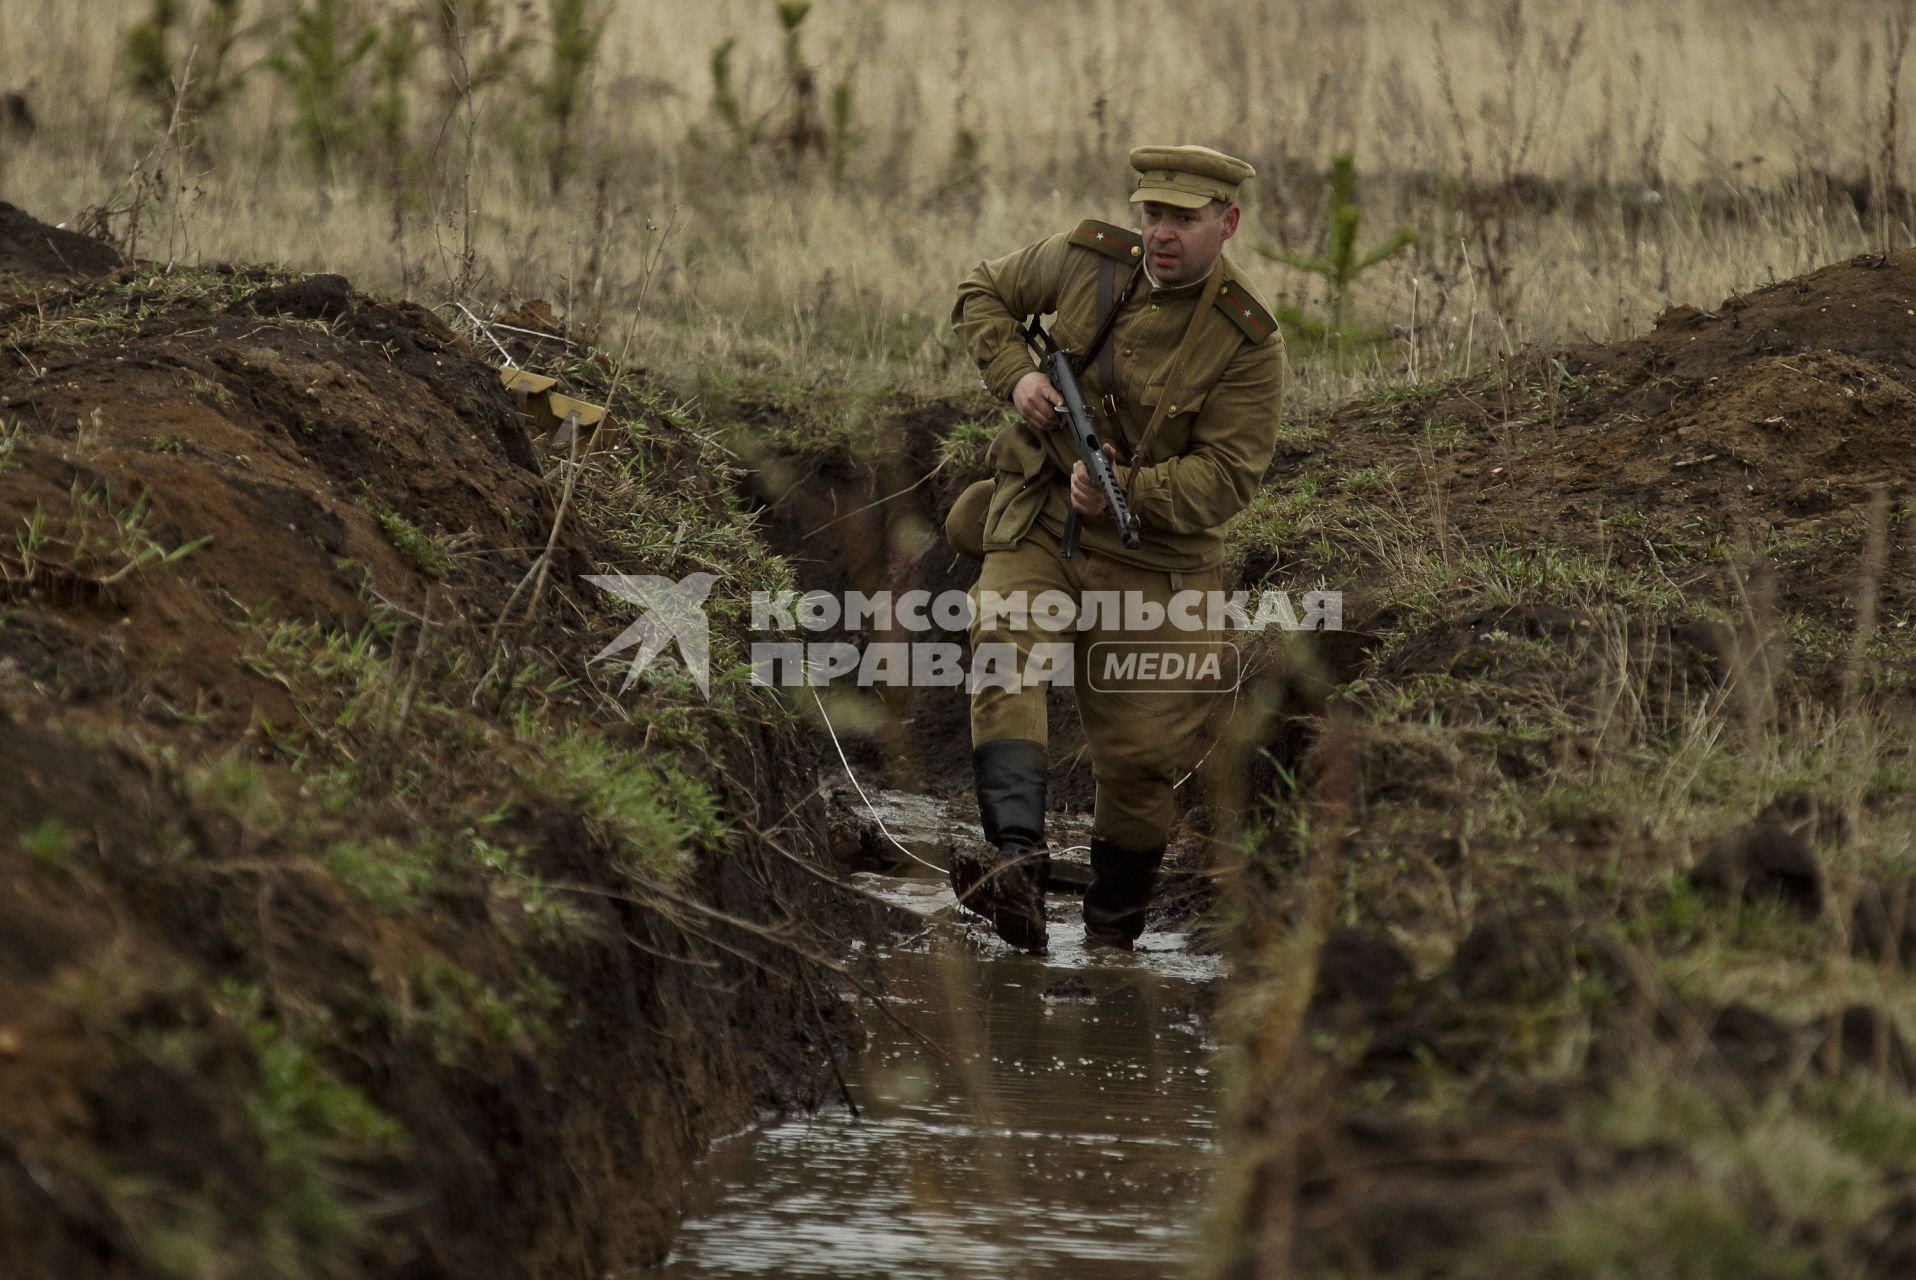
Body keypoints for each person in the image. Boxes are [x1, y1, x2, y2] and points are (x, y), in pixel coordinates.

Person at [947, 144, 1285, 953]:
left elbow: (1229, 479)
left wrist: (1130, 490)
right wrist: (1017, 379)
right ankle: (1016, 866)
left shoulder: (1248, 341)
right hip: (1036, 515)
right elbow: (981, 291)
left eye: (1183, 219)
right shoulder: (1088, 260)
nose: (1161, 233)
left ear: (1227, 224)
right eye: (1152, 213)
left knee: (1139, 763)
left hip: (1156, 558)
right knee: (1004, 649)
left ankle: (1111, 944)